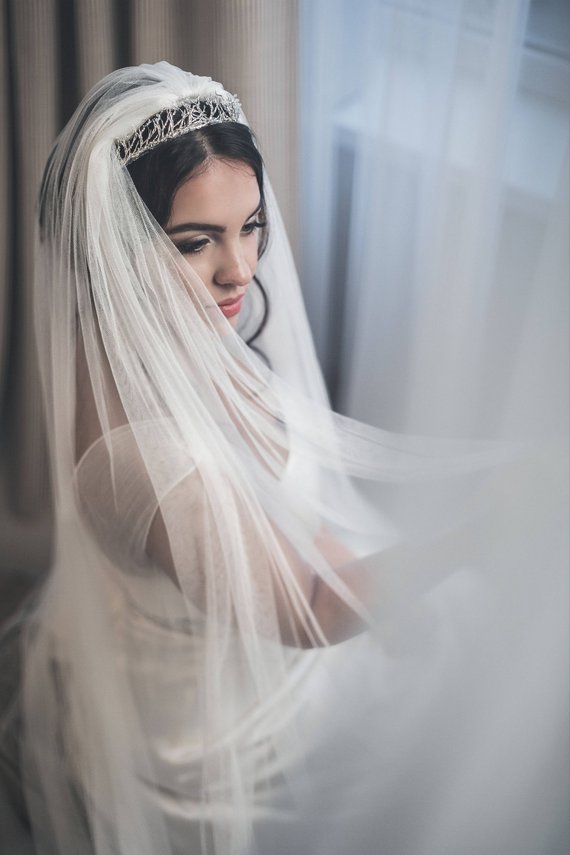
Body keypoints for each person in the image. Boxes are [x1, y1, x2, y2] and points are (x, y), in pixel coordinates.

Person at [0, 61, 549, 855]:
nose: (241, 269)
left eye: (251, 224)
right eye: (197, 242)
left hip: (246, 604)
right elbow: (309, 611)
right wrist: (480, 528)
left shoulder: (169, 332)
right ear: (114, 249)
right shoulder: (156, 460)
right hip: (223, 727)